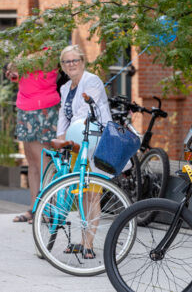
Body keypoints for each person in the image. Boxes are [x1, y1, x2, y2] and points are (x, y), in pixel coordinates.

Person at [57, 44, 112, 259]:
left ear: (82, 61)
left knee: (93, 194)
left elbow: (84, 113)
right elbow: (64, 115)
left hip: (93, 142)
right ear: (62, 66)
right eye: (66, 62)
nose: (71, 65)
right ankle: (82, 239)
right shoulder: (65, 88)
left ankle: (89, 244)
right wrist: (61, 137)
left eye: (74, 60)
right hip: (75, 144)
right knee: (81, 194)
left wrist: (66, 137)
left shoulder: (92, 81)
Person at [6, 49, 60, 224]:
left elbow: (32, 65)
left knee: (43, 162)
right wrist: (16, 67)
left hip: (43, 109)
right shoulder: (28, 54)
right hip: (25, 109)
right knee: (31, 163)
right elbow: (14, 69)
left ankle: (47, 208)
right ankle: (33, 208)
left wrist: (20, 61)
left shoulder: (50, 52)